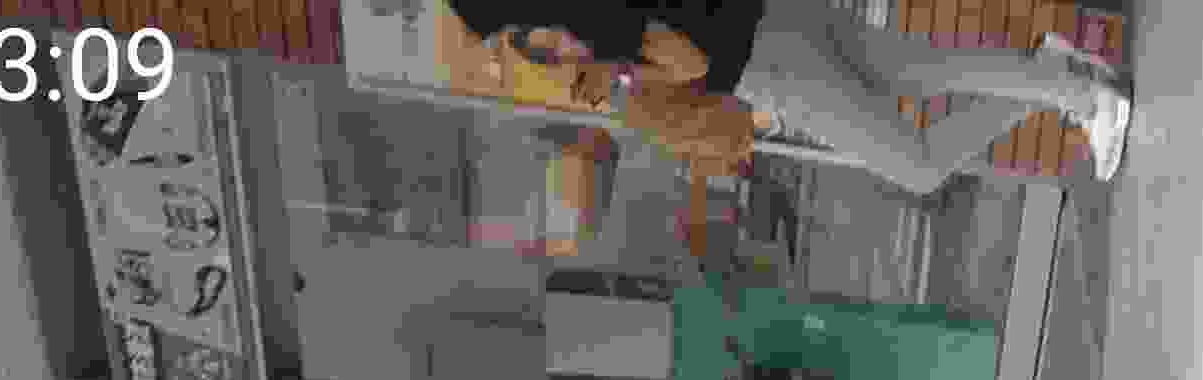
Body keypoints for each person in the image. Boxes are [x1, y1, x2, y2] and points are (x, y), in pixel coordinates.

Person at [478, 7, 1132, 197]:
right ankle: (1057, 77)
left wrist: (621, 78)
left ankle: (1076, 91)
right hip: (777, 18)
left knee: (919, 163)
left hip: (759, 63)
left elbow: (683, 62)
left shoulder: (595, 49)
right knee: (921, 73)